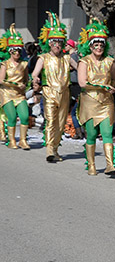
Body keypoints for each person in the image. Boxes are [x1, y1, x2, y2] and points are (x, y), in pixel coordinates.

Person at [75, 19, 115, 176]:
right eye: (95, 45)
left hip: (106, 103)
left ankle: (110, 165)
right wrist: (102, 86)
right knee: (92, 135)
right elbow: (82, 82)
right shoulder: (84, 61)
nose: (99, 47)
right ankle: (91, 165)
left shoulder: (109, 61)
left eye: (101, 45)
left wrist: (112, 88)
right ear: (90, 46)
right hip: (90, 102)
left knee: (107, 133)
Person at [31, 12, 73, 162]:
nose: (58, 45)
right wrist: (35, 79)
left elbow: (82, 66)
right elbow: (35, 73)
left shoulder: (67, 58)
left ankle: (55, 149)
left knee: (61, 124)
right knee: (50, 121)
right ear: (49, 43)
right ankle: (49, 149)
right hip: (49, 93)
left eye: (60, 43)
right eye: (55, 42)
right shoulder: (43, 58)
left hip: (65, 94)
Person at [0, 25, 30, 149]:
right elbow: (1, 80)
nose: (17, 53)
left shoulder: (24, 64)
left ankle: (22, 140)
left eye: (18, 50)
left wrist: (26, 85)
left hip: (19, 95)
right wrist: (16, 84)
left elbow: (27, 80)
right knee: (11, 117)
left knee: (24, 116)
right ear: (10, 51)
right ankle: (12, 140)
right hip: (7, 94)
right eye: (14, 50)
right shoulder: (5, 64)